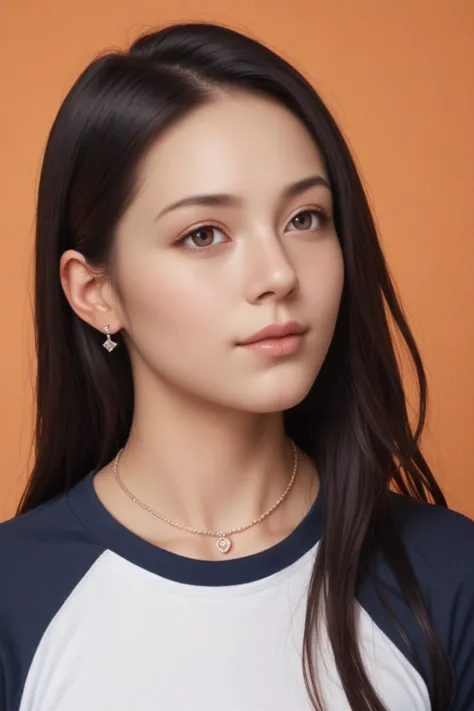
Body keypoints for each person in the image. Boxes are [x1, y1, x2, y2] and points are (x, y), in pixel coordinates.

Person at [0, 20, 472, 711]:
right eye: (204, 233)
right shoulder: (17, 595)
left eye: (305, 218)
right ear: (95, 293)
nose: (278, 273)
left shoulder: (448, 574)